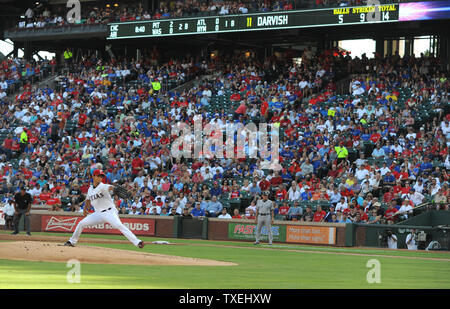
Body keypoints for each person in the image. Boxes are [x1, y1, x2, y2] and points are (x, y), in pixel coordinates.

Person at [64, 170, 144, 248]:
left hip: (109, 211)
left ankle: (137, 242)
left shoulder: (103, 186)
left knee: (119, 225)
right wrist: (85, 211)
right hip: (98, 213)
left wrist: (115, 188)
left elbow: (110, 187)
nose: (100, 178)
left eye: (101, 177)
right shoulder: (90, 189)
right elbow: (88, 200)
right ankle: (72, 241)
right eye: (98, 176)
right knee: (81, 223)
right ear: (93, 177)